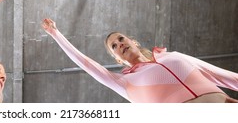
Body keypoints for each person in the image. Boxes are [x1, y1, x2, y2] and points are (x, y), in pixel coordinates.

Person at [41, 18, 238, 103]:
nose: (119, 44)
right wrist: (56, 34)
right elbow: (88, 65)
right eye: (114, 47)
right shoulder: (125, 82)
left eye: (120, 39)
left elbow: (218, 75)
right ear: (117, 58)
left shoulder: (172, 56)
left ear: (132, 40)